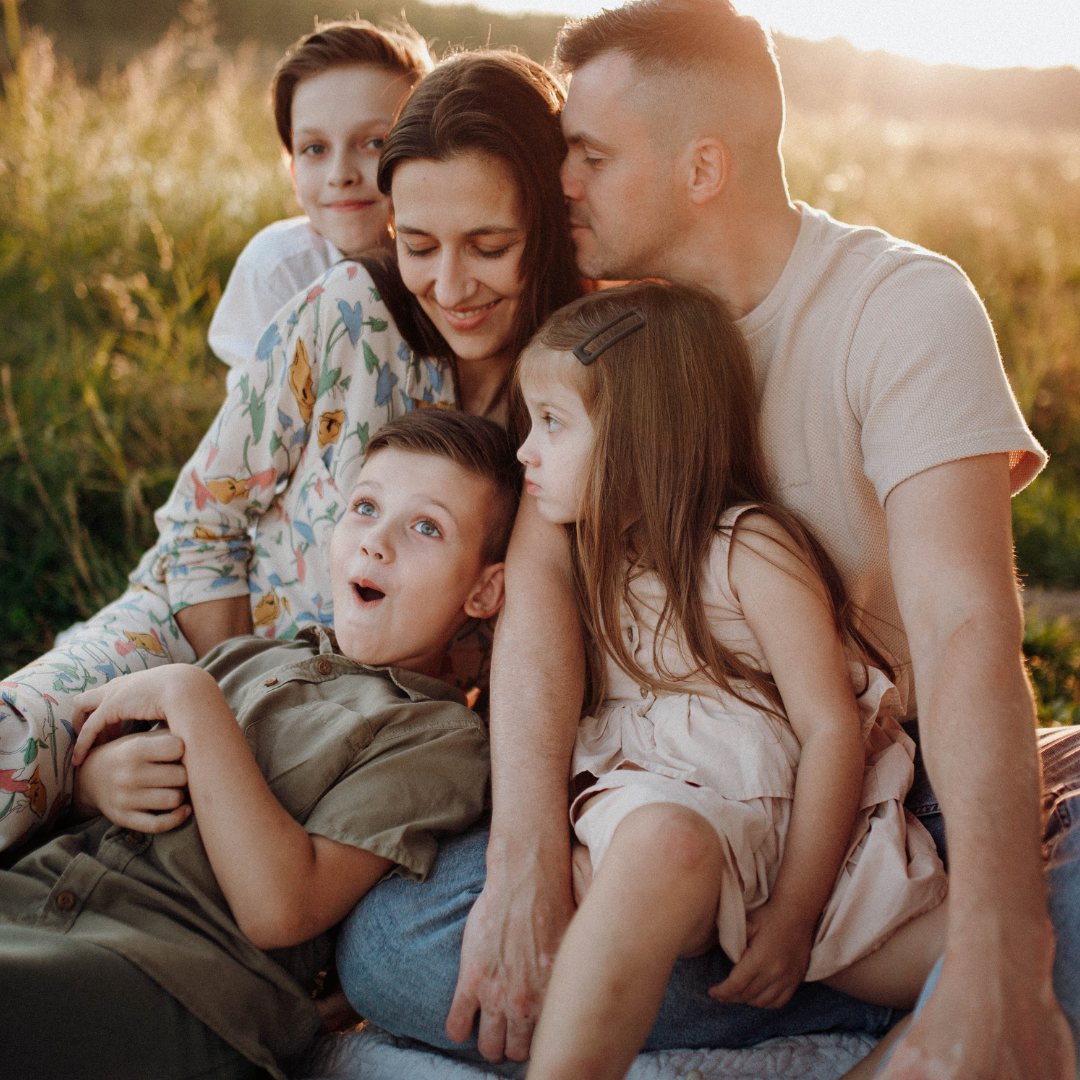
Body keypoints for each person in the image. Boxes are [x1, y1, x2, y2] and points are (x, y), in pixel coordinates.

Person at [337, 1, 1080, 1076]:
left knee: (1037, 916)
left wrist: (1000, 942)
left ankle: (954, 980)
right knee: (391, 947)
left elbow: (966, 622)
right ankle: (915, 997)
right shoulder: (609, 329)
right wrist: (528, 857)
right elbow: (540, 584)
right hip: (668, 805)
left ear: (702, 168)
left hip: (876, 792)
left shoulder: (898, 306)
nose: (563, 184)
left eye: (588, 155)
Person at [0, 49, 582, 852]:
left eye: (489, 246)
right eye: (417, 244)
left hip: (373, 737)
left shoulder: (582, 386)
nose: (450, 286)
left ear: (548, 225)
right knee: (17, 743)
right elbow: (202, 527)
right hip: (196, 645)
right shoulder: (347, 315)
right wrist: (223, 714)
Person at [0, 409, 517, 1080]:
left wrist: (191, 699)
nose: (377, 543)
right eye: (365, 507)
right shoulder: (251, 657)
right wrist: (95, 784)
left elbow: (281, 908)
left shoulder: (436, 736)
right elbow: (98, 796)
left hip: (175, 980)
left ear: (484, 589)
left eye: (426, 528)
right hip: (32, 905)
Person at [518, 282, 948, 1080]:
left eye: (550, 425)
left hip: (817, 860)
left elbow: (829, 728)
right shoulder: (584, 561)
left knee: (996, 957)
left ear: (640, 438)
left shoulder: (747, 549)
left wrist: (794, 912)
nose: (524, 453)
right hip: (670, 834)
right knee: (664, 845)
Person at [207, 18, 431, 374]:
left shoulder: (455, 265)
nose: (341, 174)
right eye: (315, 148)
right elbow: (260, 416)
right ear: (294, 172)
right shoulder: (277, 270)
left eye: (375, 143)